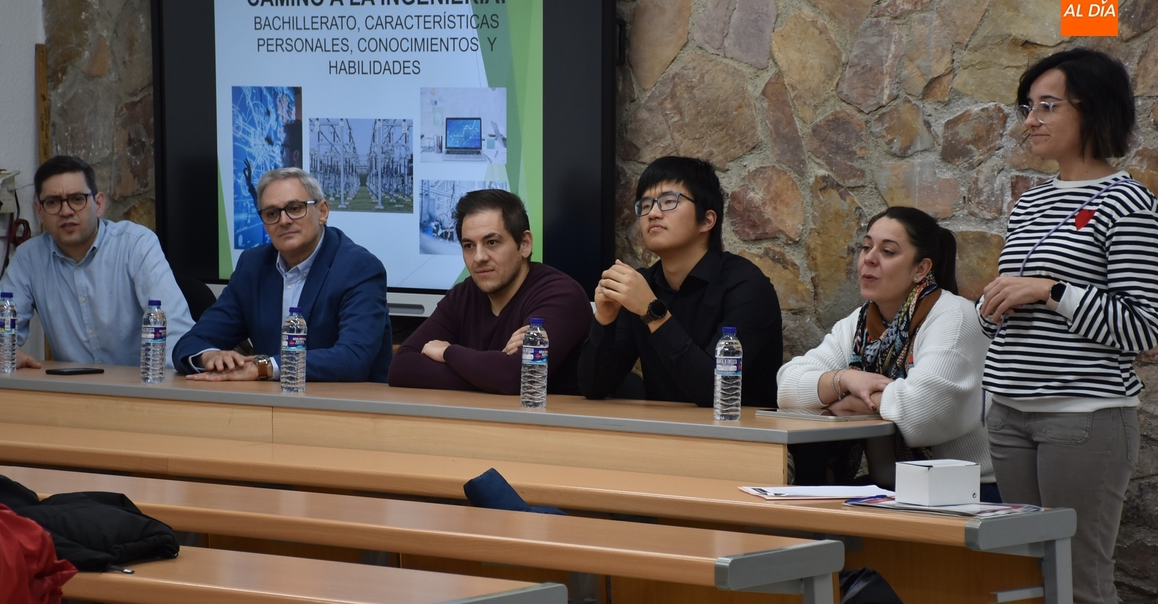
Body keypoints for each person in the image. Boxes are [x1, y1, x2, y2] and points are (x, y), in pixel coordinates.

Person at [978, 48, 1158, 604]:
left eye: (1047, 106)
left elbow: (1142, 328)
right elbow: (1008, 302)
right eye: (1028, 107)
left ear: (1094, 109)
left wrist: (1051, 290)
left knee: (1081, 589)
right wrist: (992, 304)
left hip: (1082, 421)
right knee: (1027, 579)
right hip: (1008, 415)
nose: (1032, 119)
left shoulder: (1128, 203)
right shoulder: (1029, 199)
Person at [776, 207, 995, 495]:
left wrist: (858, 402)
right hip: (896, 488)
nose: (869, 258)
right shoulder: (861, 322)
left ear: (921, 269)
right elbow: (787, 387)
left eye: (888, 251)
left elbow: (923, 409)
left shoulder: (954, 317)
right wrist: (845, 380)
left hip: (973, 490)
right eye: (866, 247)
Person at [578, 156, 782, 407]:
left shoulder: (747, 287)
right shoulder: (643, 284)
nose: (652, 213)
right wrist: (605, 320)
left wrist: (652, 312)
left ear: (707, 220)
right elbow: (593, 387)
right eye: (645, 205)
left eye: (668, 201)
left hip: (741, 437)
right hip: (664, 435)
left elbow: (715, 391)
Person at [0, 156, 192, 369]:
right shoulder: (30, 258)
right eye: (53, 202)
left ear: (99, 204)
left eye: (77, 199)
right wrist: (2, 352)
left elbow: (176, 330)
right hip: (73, 393)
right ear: (40, 212)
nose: (66, 211)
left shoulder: (136, 245)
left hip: (141, 391)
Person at [173, 167, 392, 382]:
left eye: (295, 208)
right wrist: (209, 356)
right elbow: (191, 342)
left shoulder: (359, 268)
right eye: (272, 213)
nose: (284, 220)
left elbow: (354, 359)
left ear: (322, 212)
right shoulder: (253, 266)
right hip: (271, 404)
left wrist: (265, 368)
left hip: (345, 407)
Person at [387, 189, 591, 394]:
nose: (479, 257)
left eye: (491, 242)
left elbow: (517, 377)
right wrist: (492, 374)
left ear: (525, 244)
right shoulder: (463, 295)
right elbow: (401, 367)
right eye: (468, 246)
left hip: (554, 423)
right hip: (483, 420)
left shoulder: (560, 295)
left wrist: (448, 352)